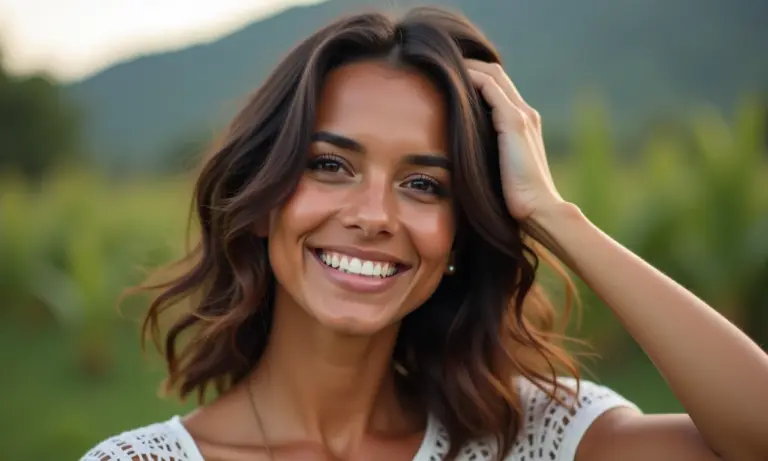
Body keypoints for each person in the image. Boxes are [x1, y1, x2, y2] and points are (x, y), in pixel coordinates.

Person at [80, 6, 768, 461]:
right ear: (263, 200)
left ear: (459, 237)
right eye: (329, 164)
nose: (375, 214)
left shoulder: (530, 440)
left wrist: (554, 215)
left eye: (424, 184)